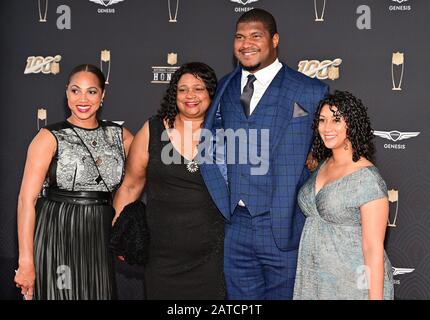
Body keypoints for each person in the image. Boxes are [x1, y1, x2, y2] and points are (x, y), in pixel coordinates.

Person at [198, 8, 329, 299]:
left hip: (284, 225)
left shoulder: (310, 90)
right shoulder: (225, 87)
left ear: (275, 39)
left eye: (256, 35)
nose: (247, 43)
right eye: (240, 37)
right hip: (237, 225)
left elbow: (330, 146)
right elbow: (211, 143)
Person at [14, 64, 133, 300]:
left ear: (102, 96)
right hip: (57, 231)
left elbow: (148, 169)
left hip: (99, 234)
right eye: (75, 90)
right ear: (66, 93)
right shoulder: (49, 136)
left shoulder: (120, 135)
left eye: (91, 91)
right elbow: (26, 200)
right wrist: (26, 260)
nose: (83, 99)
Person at [112, 62, 226, 299]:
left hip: (214, 259)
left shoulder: (227, 133)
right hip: (162, 258)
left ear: (211, 93)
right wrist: (119, 234)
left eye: (198, 88)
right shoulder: (152, 130)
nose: (190, 96)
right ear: (174, 94)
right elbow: (131, 185)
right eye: (182, 89)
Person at [293, 90, 394, 300]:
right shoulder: (322, 164)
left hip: (351, 284)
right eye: (322, 120)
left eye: (336, 120)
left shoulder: (367, 179)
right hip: (314, 280)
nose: (327, 128)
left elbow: (373, 249)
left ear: (352, 124)